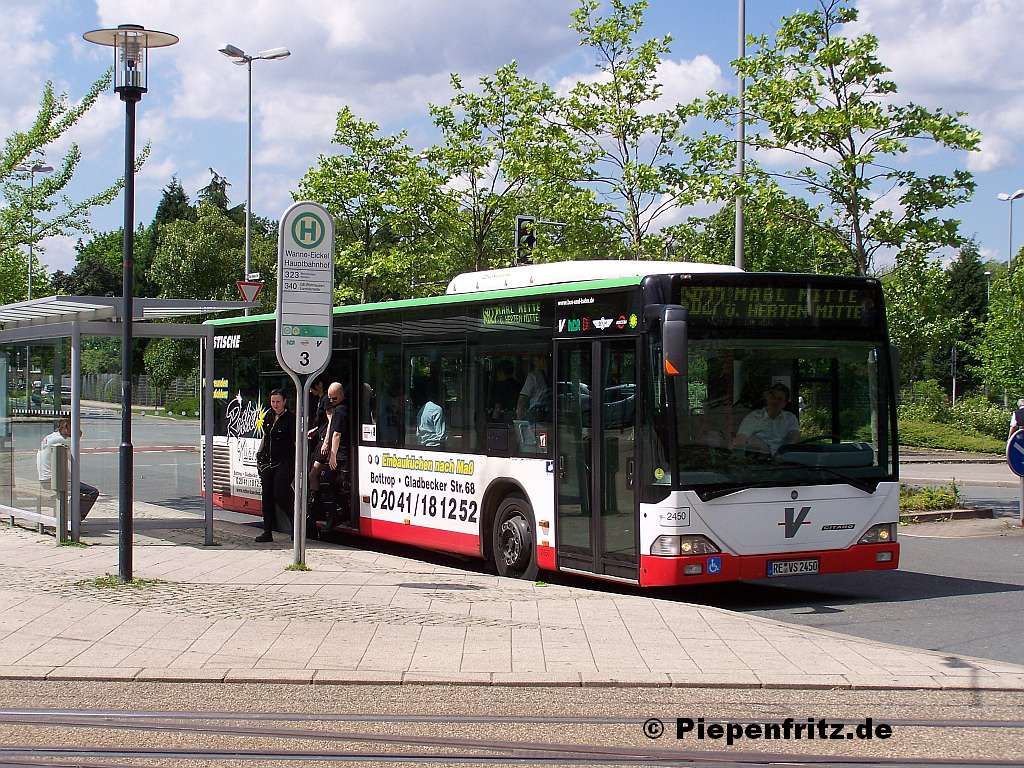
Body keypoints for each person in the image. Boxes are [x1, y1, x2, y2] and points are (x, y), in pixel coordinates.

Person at [36, 417, 99, 520]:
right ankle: (74, 518)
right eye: (74, 428)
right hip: (55, 480)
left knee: (78, 489)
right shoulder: (62, 440)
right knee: (92, 492)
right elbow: (73, 459)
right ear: (66, 428)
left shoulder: (50, 437)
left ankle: (70, 515)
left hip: (45, 479)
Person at [255, 389, 295, 543]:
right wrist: (259, 455)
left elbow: (296, 442)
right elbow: (265, 437)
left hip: (284, 461)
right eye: (273, 402)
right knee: (267, 496)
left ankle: (296, 527)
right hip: (267, 462)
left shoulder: (291, 418)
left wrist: (298, 462)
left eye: (278, 401)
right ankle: (267, 532)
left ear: (284, 401)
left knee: (281, 493)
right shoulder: (268, 416)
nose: (275, 405)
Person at [734, 382, 800, 456]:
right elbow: (740, 439)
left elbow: (794, 437)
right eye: (773, 397)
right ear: (767, 398)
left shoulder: (790, 418)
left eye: (780, 399)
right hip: (759, 458)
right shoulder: (753, 417)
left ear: (784, 403)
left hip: (782, 458)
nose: (775, 401)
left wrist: (783, 451)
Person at [516, 354, 551, 422]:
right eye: (534, 360)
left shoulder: (535, 376)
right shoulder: (534, 376)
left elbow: (523, 399)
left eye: (535, 360)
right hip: (540, 414)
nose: (534, 363)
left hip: (542, 414)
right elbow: (523, 399)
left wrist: (519, 419)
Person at [414, 379, 446, 447]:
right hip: (435, 446)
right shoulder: (437, 409)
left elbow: (418, 432)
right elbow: (440, 434)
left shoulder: (422, 409)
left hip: (423, 445)